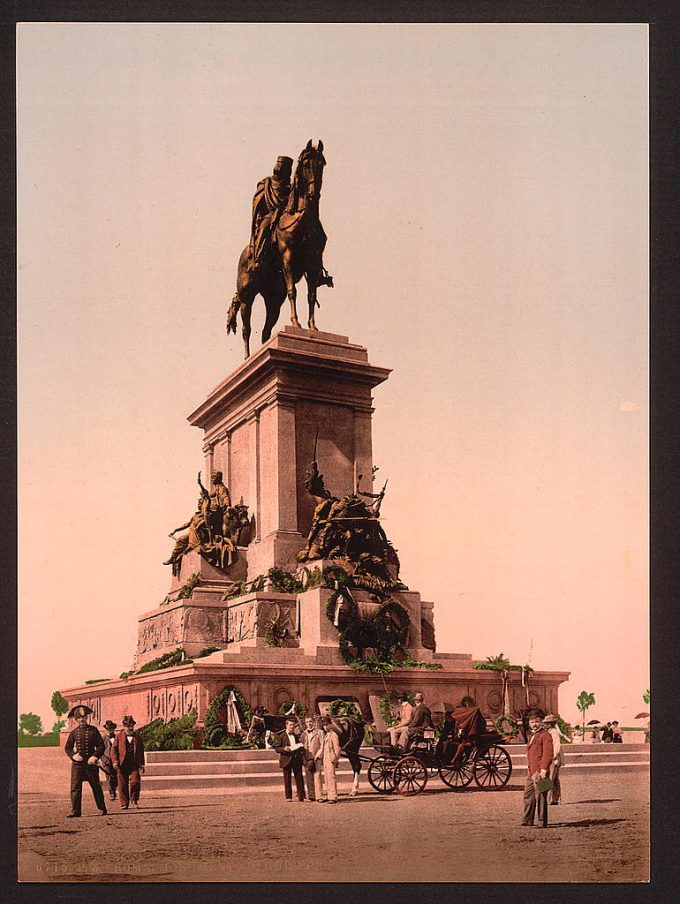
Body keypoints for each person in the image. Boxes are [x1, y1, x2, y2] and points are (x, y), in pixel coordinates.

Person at [248, 156, 294, 272]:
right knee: (264, 228)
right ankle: (257, 257)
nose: (279, 167)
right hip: (271, 215)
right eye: (278, 164)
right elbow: (258, 201)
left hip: (286, 215)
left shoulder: (291, 187)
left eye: (282, 166)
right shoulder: (266, 183)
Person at [64, 705, 107, 818]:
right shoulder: (74, 732)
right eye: (80, 718)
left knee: (96, 786)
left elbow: (101, 746)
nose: (82, 720)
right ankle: (76, 811)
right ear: (76, 719)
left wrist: (95, 756)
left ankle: (102, 808)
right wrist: (74, 756)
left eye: (84, 717)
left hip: (90, 764)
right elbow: (67, 747)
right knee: (75, 788)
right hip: (78, 764)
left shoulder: (94, 730)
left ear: (87, 718)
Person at [521, 709, 554, 828]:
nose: (534, 724)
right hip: (531, 771)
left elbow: (548, 754)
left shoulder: (546, 735)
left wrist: (544, 770)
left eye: (536, 721)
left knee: (541, 796)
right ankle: (527, 819)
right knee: (528, 794)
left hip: (541, 771)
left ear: (541, 722)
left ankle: (542, 821)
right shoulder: (531, 735)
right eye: (531, 722)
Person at [111, 715, 145, 809]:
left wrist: (142, 764)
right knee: (122, 784)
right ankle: (124, 803)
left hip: (134, 763)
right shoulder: (119, 736)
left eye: (131, 725)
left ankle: (134, 799)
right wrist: (115, 761)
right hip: (122, 764)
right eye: (127, 726)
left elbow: (141, 751)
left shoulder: (137, 737)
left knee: (135, 782)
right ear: (124, 726)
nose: (130, 727)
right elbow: (113, 749)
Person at [272, 717, 306, 802]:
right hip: (286, 759)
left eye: (293, 725)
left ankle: (301, 796)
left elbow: (298, 745)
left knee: (299, 778)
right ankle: (288, 797)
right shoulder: (281, 736)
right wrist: (284, 749)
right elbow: (277, 748)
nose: (292, 727)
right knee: (287, 779)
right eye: (290, 725)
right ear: (286, 725)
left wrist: (300, 747)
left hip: (296, 759)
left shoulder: (295, 735)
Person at [543, 714, 567, 805]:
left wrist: (552, 757)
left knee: (548, 778)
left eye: (547, 723)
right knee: (555, 779)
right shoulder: (549, 731)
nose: (545, 725)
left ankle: (546, 799)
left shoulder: (554, 732)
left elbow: (556, 745)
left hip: (554, 759)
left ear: (550, 724)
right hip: (553, 758)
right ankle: (556, 798)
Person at [300, 715, 324, 803]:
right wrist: (303, 757)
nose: (309, 724)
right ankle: (311, 795)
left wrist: (318, 755)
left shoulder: (320, 732)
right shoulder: (304, 734)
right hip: (307, 757)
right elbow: (301, 746)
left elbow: (322, 745)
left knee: (317, 776)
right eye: (307, 722)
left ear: (313, 722)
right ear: (305, 723)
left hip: (316, 757)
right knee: (308, 776)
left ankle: (319, 796)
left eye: (310, 721)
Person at [320, 716, 341, 803]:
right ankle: (329, 795)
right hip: (325, 757)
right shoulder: (326, 735)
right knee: (327, 777)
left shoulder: (334, 735)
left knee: (331, 776)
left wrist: (335, 758)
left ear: (330, 725)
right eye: (324, 725)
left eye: (327, 725)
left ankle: (333, 796)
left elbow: (337, 748)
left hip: (331, 757)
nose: (325, 727)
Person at [99, 720, 118, 801]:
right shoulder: (102, 739)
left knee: (115, 777)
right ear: (105, 730)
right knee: (109, 777)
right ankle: (112, 793)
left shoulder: (117, 738)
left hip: (115, 760)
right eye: (108, 730)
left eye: (111, 729)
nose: (110, 731)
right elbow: (100, 751)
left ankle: (114, 789)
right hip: (106, 760)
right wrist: (104, 760)